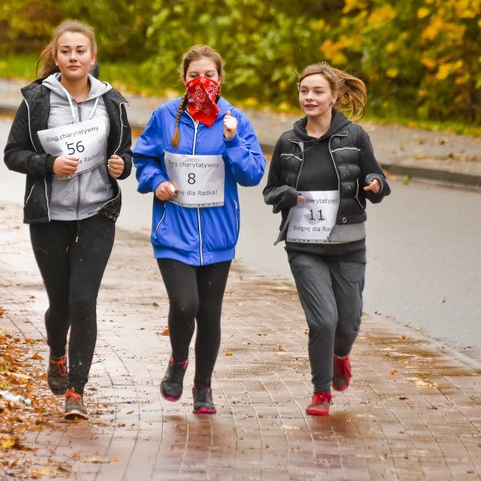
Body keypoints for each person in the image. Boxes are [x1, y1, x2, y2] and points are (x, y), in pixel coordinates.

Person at [3, 20, 133, 420]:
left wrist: (120, 166)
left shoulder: (112, 102)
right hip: (50, 215)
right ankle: (57, 351)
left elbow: (126, 155)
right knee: (60, 304)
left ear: (92, 57)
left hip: (97, 213)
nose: (73, 57)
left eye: (81, 51)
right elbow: (13, 154)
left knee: (83, 300)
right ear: (56, 56)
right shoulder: (37, 101)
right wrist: (49, 164)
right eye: (66, 51)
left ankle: (76, 390)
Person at [133, 45, 266, 415]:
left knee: (209, 313)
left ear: (220, 79)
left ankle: (203, 387)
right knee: (184, 303)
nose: (201, 82)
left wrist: (232, 140)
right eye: (194, 75)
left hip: (218, 236)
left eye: (209, 75)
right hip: (173, 230)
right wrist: (156, 181)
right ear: (184, 78)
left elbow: (253, 174)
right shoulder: (164, 117)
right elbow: (142, 158)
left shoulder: (235, 120)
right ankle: (178, 361)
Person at [263, 62, 391, 416]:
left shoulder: (355, 136)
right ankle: (321, 393)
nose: (309, 97)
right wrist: (286, 195)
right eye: (304, 91)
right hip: (304, 246)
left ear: (334, 96)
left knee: (347, 324)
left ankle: (341, 356)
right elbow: (270, 190)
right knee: (322, 321)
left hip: (349, 244)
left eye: (318, 92)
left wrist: (376, 185)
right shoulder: (288, 141)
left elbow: (377, 178)